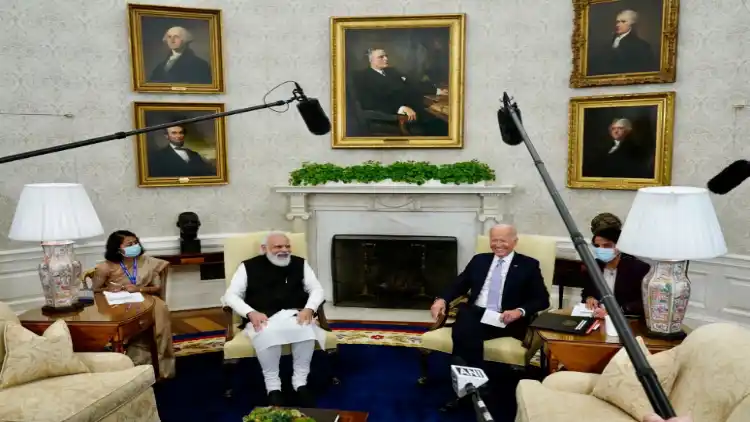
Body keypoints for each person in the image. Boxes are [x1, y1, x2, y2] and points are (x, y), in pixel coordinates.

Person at [223, 231, 326, 407]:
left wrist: (309, 308)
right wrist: (250, 312)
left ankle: (300, 383)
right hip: (263, 317)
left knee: (305, 329)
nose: (284, 250)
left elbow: (316, 289)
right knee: (267, 333)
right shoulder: (248, 266)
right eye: (278, 246)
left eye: (287, 246)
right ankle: (273, 387)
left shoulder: (300, 264)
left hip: (295, 314)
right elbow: (231, 295)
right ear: (264, 249)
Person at [430, 224, 550, 369]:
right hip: (476, 313)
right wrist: (441, 300)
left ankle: (465, 374)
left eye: (503, 240)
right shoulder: (479, 260)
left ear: (514, 241)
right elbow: (458, 284)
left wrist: (519, 311)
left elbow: (542, 299)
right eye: (494, 240)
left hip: (506, 318)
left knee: (464, 330)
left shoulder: (528, 265)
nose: (498, 245)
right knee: (467, 317)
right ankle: (475, 382)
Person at [91, 230, 176, 379]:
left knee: (161, 315)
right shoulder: (105, 267)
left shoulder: (148, 262)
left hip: (147, 299)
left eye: (136, 242)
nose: (135, 246)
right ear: (118, 249)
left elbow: (157, 287)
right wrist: (110, 288)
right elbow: (96, 291)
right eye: (129, 244)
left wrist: (139, 288)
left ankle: (163, 369)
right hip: (117, 302)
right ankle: (126, 364)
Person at [353, 47, 448, 136]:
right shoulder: (363, 78)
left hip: (416, 110)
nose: (386, 59)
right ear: (371, 60)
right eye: (381, 57)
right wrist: (399, 108)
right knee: (439, 128)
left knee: (443, 122)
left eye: (386, 56)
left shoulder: (392, 71)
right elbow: (369, 102)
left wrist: (437, 91)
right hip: (395, 118)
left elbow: (413, 83)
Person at [581, 213, 651, 319]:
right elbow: (587, 293)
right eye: (597, 246)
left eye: (607, 245)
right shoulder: (593, 266)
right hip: (597, 319)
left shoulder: (638, 268)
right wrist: (589, 298)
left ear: (618, 246)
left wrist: (614, 311)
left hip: (626, 322)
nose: (601, 249)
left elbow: (644, 303)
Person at [148, 123, 217, 178]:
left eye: (181, 132)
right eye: (174, 133)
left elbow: (205, 174)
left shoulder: (194, 155)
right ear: (166, 136)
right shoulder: (158, 156)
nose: (178, 136)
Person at [148, 26, 212, 84]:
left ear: (185, 40)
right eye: (169, 37)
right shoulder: (161, 66)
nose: (172, 40)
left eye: (176, 37)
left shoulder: (199, 64)